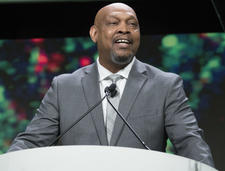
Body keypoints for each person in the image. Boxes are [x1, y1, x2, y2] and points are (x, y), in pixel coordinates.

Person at [8, 2, 214, 167]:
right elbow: (32, 142)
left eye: (132, 25)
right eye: (114, 23)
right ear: (94, 34)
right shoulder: (64, 87)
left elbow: (190, 142)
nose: (124, 29)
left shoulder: (165, 85)